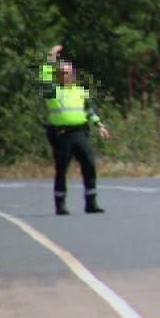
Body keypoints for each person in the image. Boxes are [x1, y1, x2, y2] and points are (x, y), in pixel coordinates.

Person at [39, 44, 109, 215]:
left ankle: (91, 202)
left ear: (73, 75)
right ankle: (60, 204)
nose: (65, 75)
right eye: (62, 73)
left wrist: (99, 124)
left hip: (80, 133)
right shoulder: (53, 91)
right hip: (62, 134)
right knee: (62, 169)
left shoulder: (80, 91)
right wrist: (50, 58)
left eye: (68, 73)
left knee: (89, 164)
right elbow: (44, 77)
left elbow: (88, 110)